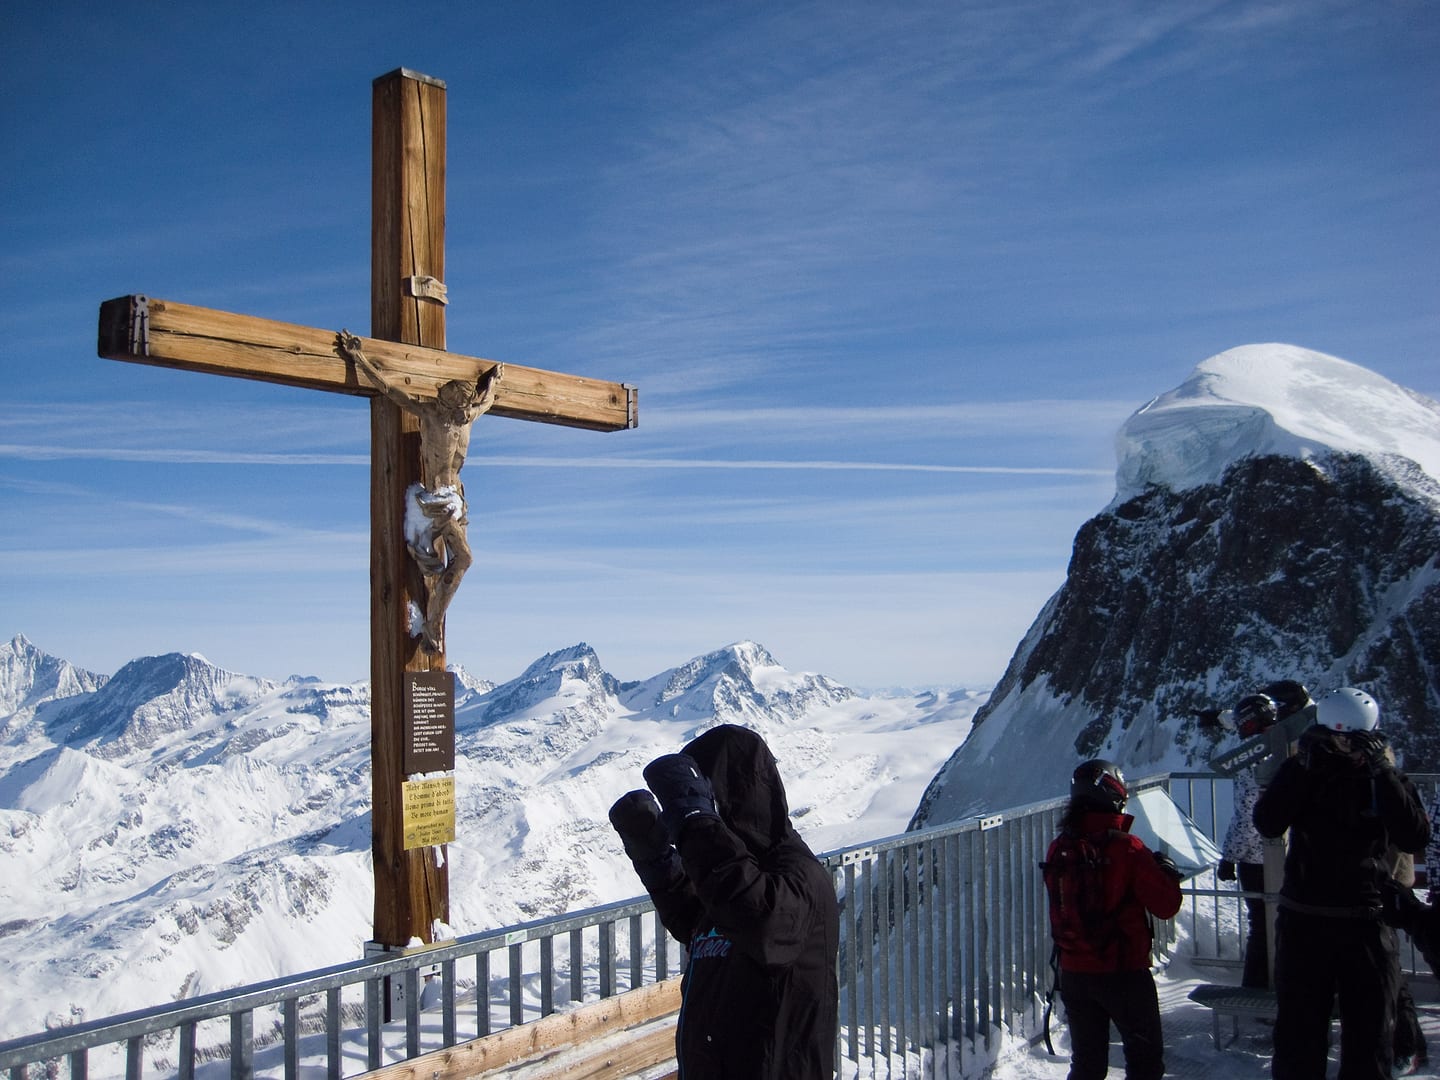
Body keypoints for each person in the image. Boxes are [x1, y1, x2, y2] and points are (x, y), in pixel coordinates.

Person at [608, 724, 839, 1079]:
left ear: (738, 793)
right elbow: (698, 921)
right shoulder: (735, 874)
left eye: (708, 796)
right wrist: (656, 860)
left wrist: (694, 822)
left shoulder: (800, 877)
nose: (709, 809)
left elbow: (756, 919)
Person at [1253, 687, 1431, 1080]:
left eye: (1350, 739)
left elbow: (1413, 836)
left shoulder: (1378, 778)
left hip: (1340, 919)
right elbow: (1269, 821)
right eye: (1336, 738)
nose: (1343, 746)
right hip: (1338, 921)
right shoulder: (1309, 771)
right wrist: (1303, 767)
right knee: (1319, 1038)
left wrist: (1381, 773)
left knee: (1356, 1040)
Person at [337, 329, 503, 652]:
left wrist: (492, 381)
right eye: (458, 401)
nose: (463, 407)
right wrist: (358, 358)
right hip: (435, 501)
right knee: (464, 559)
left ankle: (431, 620)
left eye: (465, 403)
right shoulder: (429, 415)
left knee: (458, 564)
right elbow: (388, 388)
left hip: (458, 501)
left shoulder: (466, 418)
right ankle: (431, 623)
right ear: (445, 398)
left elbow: (487, 401)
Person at [1042, 759, 1183, 1080]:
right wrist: (1168, 875)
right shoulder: (1128, 848)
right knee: (1144, 1062)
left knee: (1087, 1065)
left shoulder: (1059, 848)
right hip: (1124, 973)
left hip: (1075, 972)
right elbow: (1166, 906)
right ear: (1114, 794)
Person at [1216, 681, 1314, 989]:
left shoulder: (1253, 759)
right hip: (1289, 850)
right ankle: (1295, 985)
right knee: (1291, 922)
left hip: (1258, 859)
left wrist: (1228, 857)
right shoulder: (1284, 746)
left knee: (1262, 925)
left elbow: (1248, 816)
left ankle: (1260, 989)